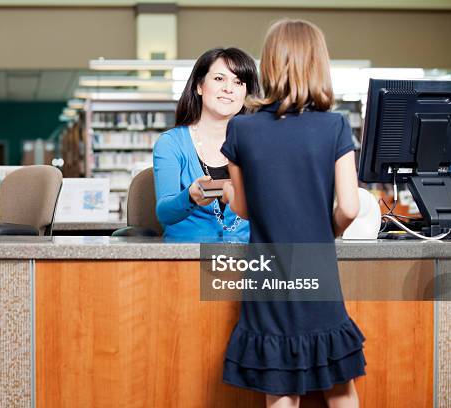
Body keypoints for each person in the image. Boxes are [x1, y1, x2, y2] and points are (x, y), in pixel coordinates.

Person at [220, 20, 365, 407]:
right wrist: (326, 228)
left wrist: (231, 191)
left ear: (268, 63)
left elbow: (244, 207)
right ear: (319, 63)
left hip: (267, 273)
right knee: (338, 383)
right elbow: (350, 207)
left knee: (279, 384)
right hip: (316, 268)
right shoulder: (335, 126)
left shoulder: (242, 130)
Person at [153, 47, 259, 241]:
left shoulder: (259, 144)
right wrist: (190, 197)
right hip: (188, 259)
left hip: (246, 260)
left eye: (238, 82)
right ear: (199, 86)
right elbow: (164, 213)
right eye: (219, 79)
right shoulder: (171, 143)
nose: (228, 88)